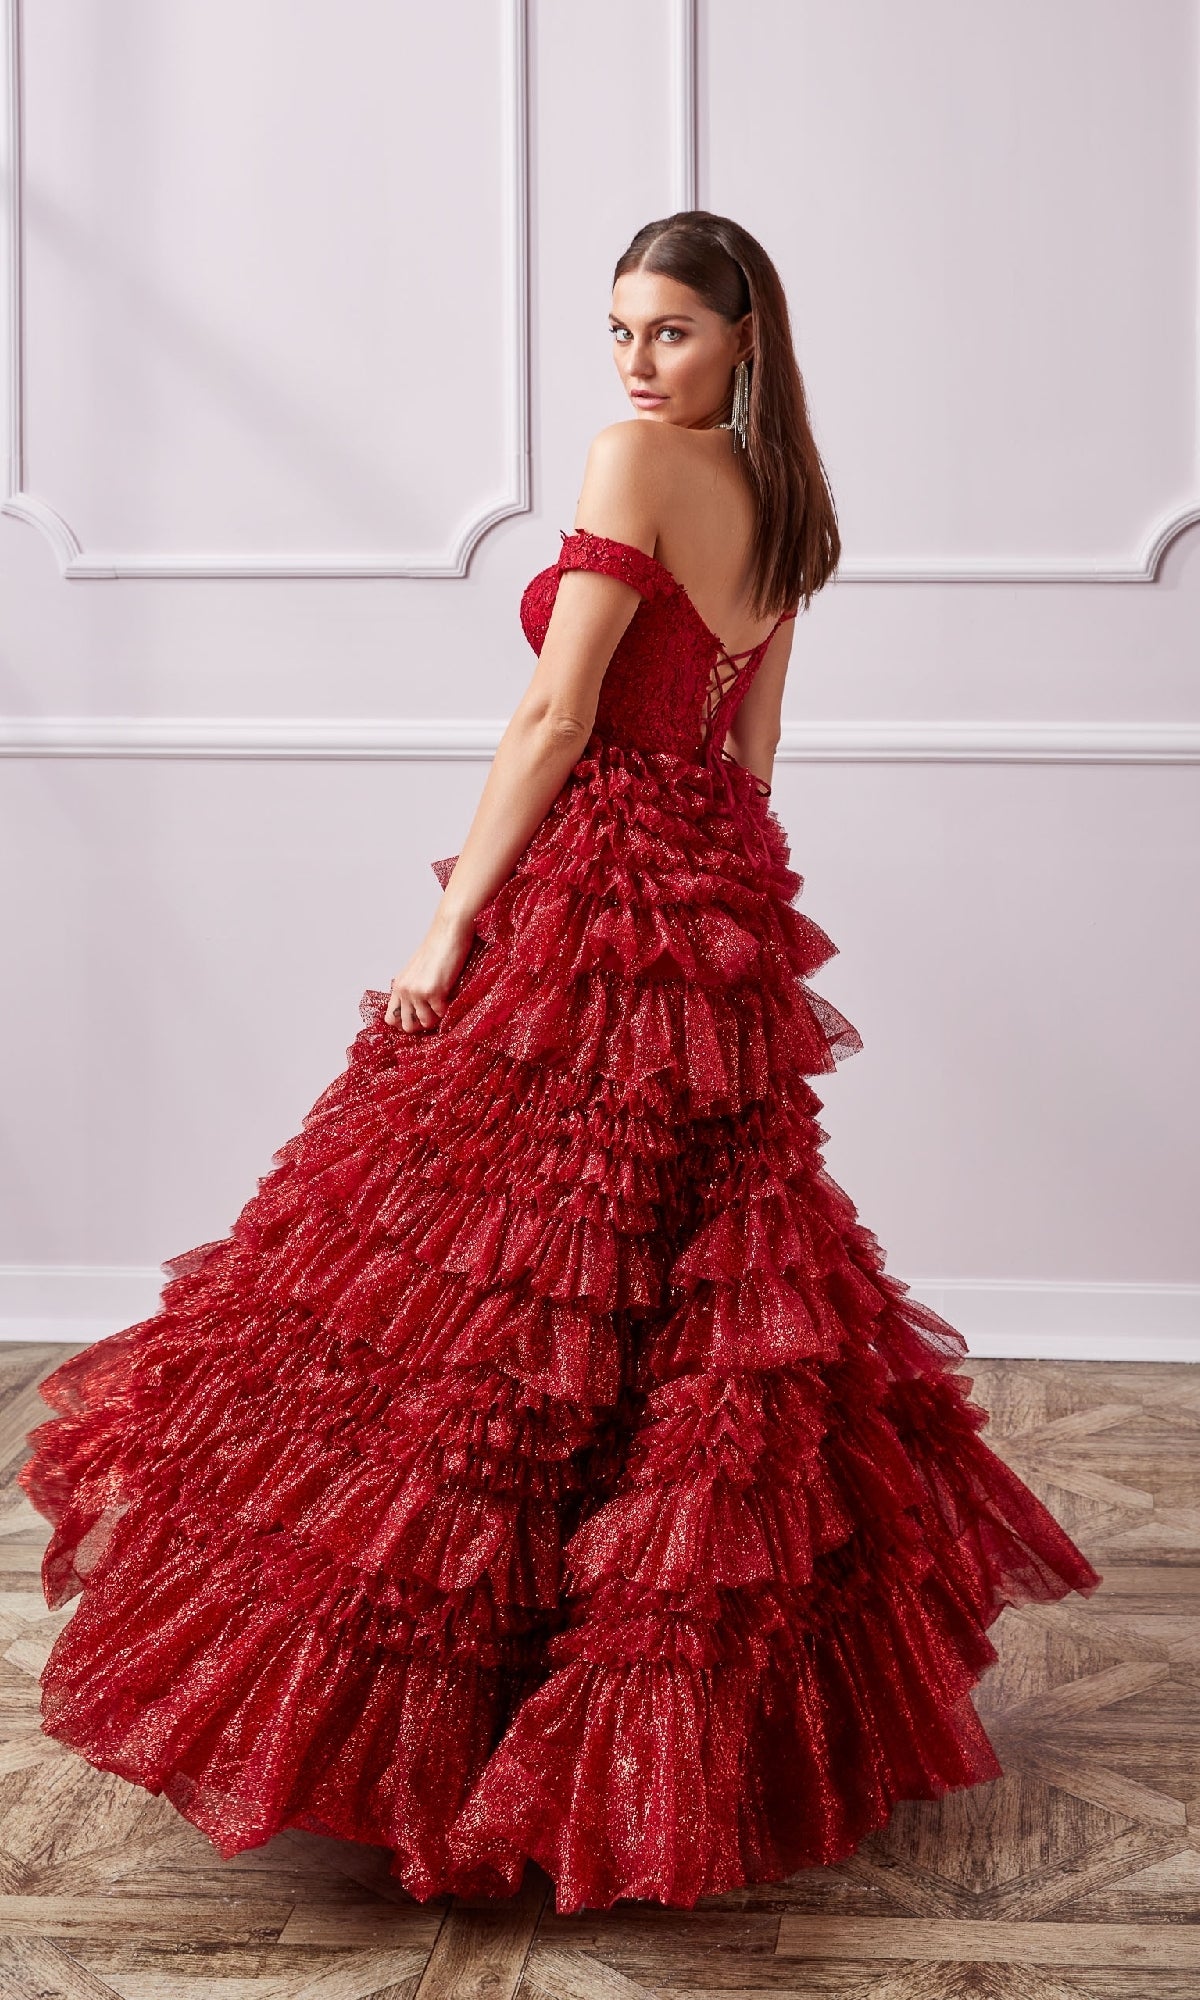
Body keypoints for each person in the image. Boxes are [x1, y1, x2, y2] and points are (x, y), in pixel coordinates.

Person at [20, 210, 1100, 1916]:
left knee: (492, 1275)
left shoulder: (634, 461)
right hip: (708, 901)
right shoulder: (790, 499)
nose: (635, 363)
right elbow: (750, 752)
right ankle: (612, 1721)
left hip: (596, 893)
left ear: (743, 339)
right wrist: (719, 919)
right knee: (662, 1281)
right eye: (619, 332)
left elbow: (558, 712)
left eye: (670, 330)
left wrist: (453, 924)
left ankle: (455, 1730)